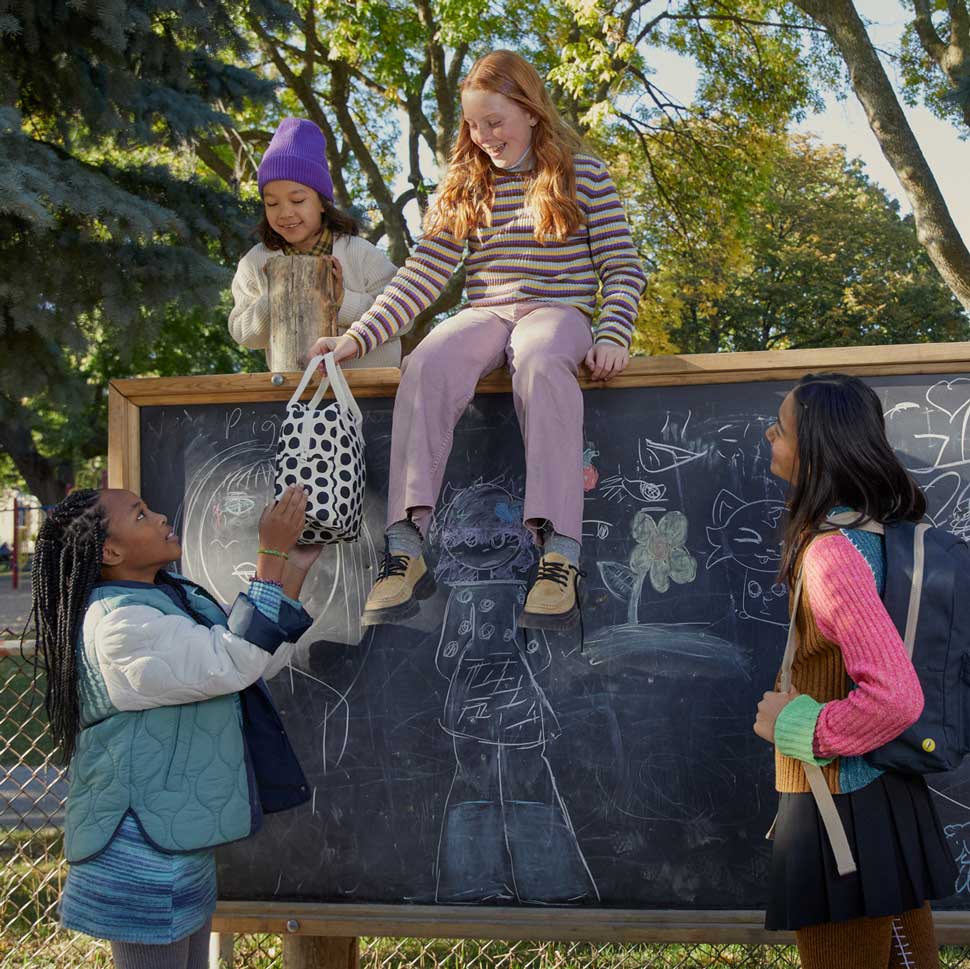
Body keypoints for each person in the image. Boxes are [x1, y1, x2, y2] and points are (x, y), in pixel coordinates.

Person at [306, 50, 646, 630]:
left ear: (532, 111)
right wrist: (354, 340)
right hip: (487, 310)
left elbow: (622, 266)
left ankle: (559, 552)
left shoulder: (581, 175)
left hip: (556, 310)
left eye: (496, 122)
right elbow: (421, 276)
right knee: (428, 362)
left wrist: (613, 332)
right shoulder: (468, 185)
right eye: (473, 125)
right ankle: (406, 547)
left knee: (539, 361)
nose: (484, 136)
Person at [29, 484, 321, 969]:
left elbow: (248, 664)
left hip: (173, 837)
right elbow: (234, 660)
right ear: (110, 551)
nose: (162, 516)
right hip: (138, 848)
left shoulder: (161, 600)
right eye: (141, 515)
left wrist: (291, 567)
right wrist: (269, 553)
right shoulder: (119, 625)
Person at [755, 373, 956, 969]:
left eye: (782, 427)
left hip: (839, 805)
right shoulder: (876, 536)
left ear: (815, 450)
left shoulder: (830, 553)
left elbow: (895, 698)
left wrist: (796, 725)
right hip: (881, 796)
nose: (770, 433)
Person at [229, 117, 406, 369]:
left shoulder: (359, 253)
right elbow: (242, 332)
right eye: (272, 203)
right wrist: (275, 298)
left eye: (297, 200)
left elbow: (403, 318)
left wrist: (342, 299)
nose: (285, 212)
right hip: (295, 395)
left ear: (322, 202)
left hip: (367, 390)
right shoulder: (256, 262)